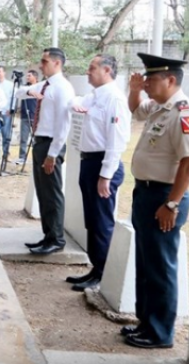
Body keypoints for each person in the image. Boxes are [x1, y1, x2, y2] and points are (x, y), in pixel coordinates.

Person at [120, 53, 189, 350]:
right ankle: (146, 322)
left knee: (161, 268)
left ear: (170, 80)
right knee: (146, 262)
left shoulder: (183, 113)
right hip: (146, 193)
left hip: (164, 198)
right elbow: (135, 109)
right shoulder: (159, 106)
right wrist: (134, 90)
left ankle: (160, 332)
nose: (147, 84)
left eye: (151, 80)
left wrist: (171, 204)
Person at [66, 55, 131, 291]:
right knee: (92, 221)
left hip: (102, 165)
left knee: (102, 222)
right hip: (89, 163)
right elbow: (73, 101)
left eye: (92, 68)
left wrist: (105, 175)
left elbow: (117, 140)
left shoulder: (114, 99)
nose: (87, 71)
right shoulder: (94, 96)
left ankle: (103, 273)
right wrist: (74, 103)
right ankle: (96, 267)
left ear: (106, 70)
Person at [18, 48, 75, 255]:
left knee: (52, 193)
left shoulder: (63, 88)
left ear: (57, 63)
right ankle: (47, 235)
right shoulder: (47, 84)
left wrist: (53, 154)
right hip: (40, 141)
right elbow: (19, 93)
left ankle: (57, 238)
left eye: (44, 61)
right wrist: (29, 91)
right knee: (43, 192)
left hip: (51, 144)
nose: (40, 65)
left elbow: (63, 125)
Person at [15, 70, 39, 165]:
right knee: (23, 138)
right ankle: (22, 157)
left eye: (29, 76)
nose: (27, 77)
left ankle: (36, 157)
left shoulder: (39, 87)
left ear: (35, 77)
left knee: (36, 139)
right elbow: (17, 93)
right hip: (25, 116)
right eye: (27, 76)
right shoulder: (24, 88)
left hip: (36, 117)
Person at [0, 66, 16, 159]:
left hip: (6, 112)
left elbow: (14, 98)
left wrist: (12, 109)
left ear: (4, 73)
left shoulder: (10, 85)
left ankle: (6, 154)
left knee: (6, 134)